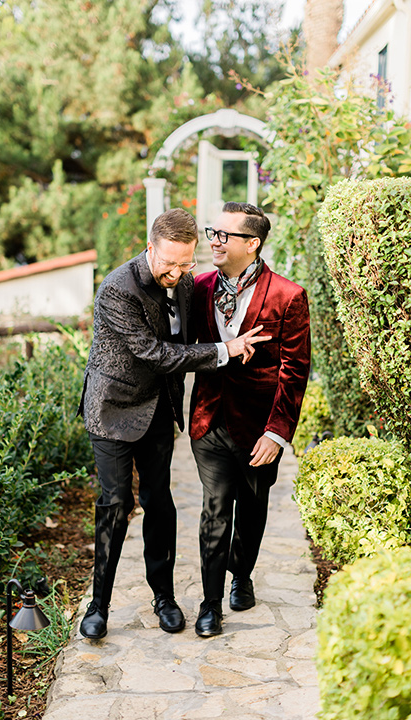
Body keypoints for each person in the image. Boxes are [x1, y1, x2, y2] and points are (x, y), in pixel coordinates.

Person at [77, 208, 268, 639]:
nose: (179, 272)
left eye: (187, 263)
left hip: (158, 408)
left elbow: (187, 336)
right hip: (112, 409)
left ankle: (163, 596)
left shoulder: (183, 280)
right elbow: (157, 354)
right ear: (150, 249)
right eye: (170, 262)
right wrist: (225, 350)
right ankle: (98, 606)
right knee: (114, 505)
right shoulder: (117, 289)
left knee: (160, 503)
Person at [189, 202, 311, 637]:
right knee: (215, 509)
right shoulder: (198, 287)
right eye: (213, 232)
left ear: (252, 243)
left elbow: (294, 371)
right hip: (208, 420)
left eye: (224, 235)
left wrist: (278, 433)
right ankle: (210, 602)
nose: (214, 241)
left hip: (259, 428)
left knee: (253, 507)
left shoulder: (288, 296)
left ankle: (242, 575)